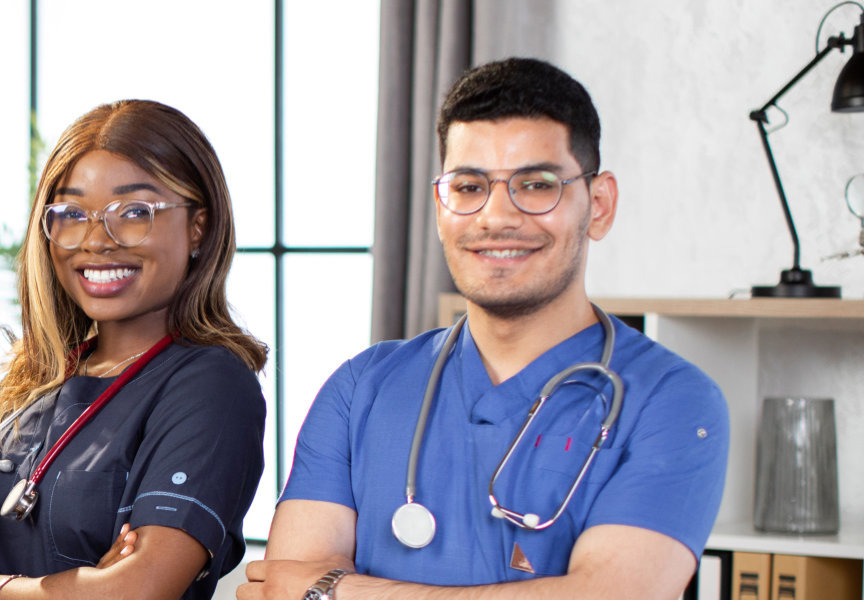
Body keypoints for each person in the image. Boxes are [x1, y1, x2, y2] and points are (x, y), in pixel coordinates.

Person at [241, 58, 730, 599]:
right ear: (440, 206)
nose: (496, 217)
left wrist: (340, 591)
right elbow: (281, 587)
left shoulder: (671, 400)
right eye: (470, 186)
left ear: (599, 205)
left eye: (537, 184)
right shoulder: (361, 388)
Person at [0, 99, 267, 600]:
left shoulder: (212, 386)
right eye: (71, 213)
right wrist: (80, 586)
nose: (96, 240)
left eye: (134, 212)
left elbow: (137, 591)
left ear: (199, 225)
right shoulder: (29, 379)